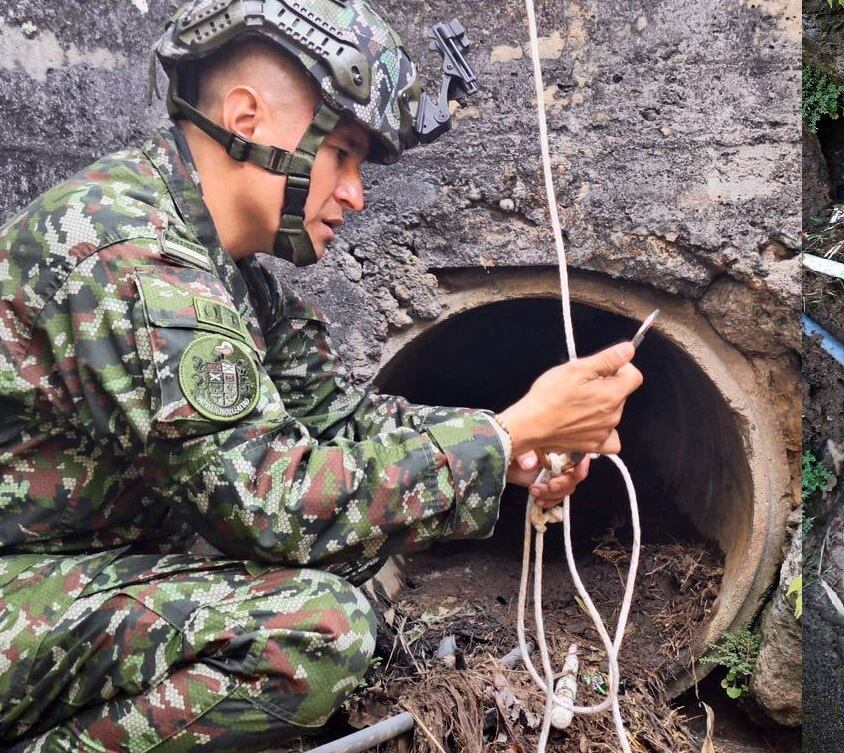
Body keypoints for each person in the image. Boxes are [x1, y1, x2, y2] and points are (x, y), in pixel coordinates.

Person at [0, 1, 642, 750]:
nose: (355, 194)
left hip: (75, 580)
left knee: (349, 548)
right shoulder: (129, 256)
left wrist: (511, 449)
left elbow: (340, 423)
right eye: (342, 154)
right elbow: (268, 501)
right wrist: (502, 436)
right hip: (21, 586)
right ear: (246, 118)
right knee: (319, 630)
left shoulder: (233, 276)